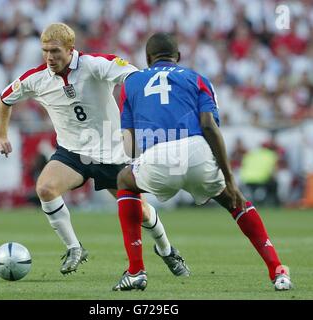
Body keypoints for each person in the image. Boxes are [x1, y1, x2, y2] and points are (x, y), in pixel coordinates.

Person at [0, 23, 190, 277]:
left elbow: (133, 77)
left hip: (112, 153)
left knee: (140, 212)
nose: (49, 57)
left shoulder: (94, 65)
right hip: (72, 153)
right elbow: (4, 98)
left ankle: (166, 250)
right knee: (45, 188)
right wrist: (1, 135)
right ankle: (74, 247)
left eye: (55, 51)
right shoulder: (37, 78)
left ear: (70, 49)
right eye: (45, 51)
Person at [112, 32, 292, 291]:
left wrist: (140, 165)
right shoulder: (197, 78)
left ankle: (136, 270)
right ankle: (277, 271)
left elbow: (128, 143)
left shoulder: (131, 83)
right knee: (235, 203)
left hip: (157, 155)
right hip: (196, 151)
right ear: (179, 57)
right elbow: (209, 126)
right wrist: (230, 180)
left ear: (148, 58)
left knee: (124, 181)